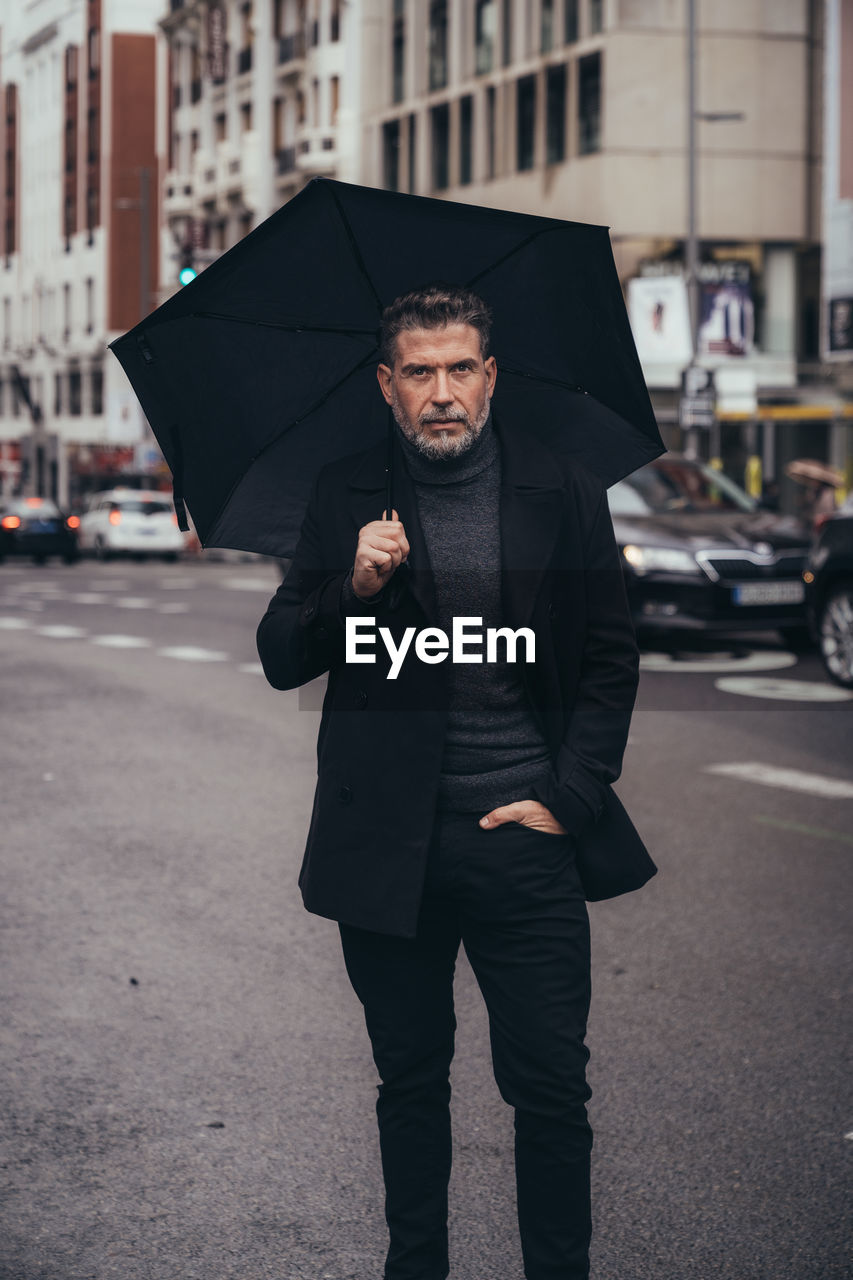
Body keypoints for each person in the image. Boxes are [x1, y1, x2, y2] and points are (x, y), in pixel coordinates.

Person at [257, 284, 653, 1280]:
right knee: (409, 1082)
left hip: (524, 836)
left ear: (491, 376)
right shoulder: (346, 494)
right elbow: (278, 653)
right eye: (420, 372)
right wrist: (349, 588)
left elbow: (610, 655)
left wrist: (568, 797)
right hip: (390, 845)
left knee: (553, 1087)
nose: (443, 391)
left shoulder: (561, 487)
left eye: (460, 369)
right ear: (387, 385)